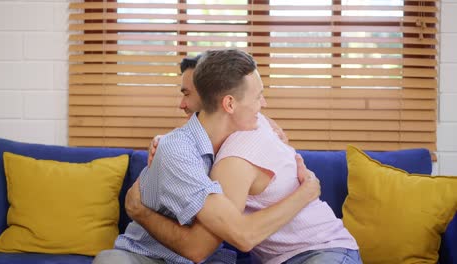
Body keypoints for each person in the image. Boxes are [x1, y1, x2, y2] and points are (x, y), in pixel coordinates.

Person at [127, 53, 362, 263]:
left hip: (325, 251)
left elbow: (211, 244)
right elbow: (219, 242)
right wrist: (306, 192)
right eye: (258, 96)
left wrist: (307, 191)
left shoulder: (251, 129)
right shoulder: (224, 152)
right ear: (229, 103)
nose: (264, 104)